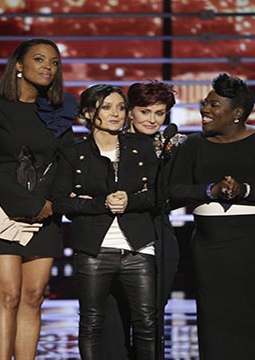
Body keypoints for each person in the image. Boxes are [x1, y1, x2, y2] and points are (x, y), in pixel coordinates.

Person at [169, 73, 255, 360]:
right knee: (215, 316)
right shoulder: (193, 145)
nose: (205, 109)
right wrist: (210, 190)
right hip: (210, 244)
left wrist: (245, 190)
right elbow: (175, 189)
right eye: (205, 103)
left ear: (237, 113)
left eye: (214, 105)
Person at [0, 38, 77, 360]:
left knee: (33, 296)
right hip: (0, 210)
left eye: (55, 62)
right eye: (40, 60)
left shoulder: (60, 109)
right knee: (8, 294)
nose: (49, 67)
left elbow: (66, 162)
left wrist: (52, 205)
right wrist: (29, 206)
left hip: (45, 212)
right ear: (18, 65)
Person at [53, 84, 158, 360]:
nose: (116, 114)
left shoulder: (142, 147)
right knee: (91, 323)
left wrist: (130, 201)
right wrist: (101, 203)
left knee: (147, 323)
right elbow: (62, 202)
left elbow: (159, 195)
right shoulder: (73, 153)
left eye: (121, 107)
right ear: (89, 113)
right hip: (94, 249)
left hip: (138, 246)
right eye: (107, 107)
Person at [100, 81, 186, 359]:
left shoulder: (174, 147)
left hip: (158, 233)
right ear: (130, 112)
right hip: (112, 236)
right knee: (112, 319)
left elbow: (178, 193)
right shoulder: (110, 143)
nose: (152, 120)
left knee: (151, 319)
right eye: (145, 111)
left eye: (159, 113)